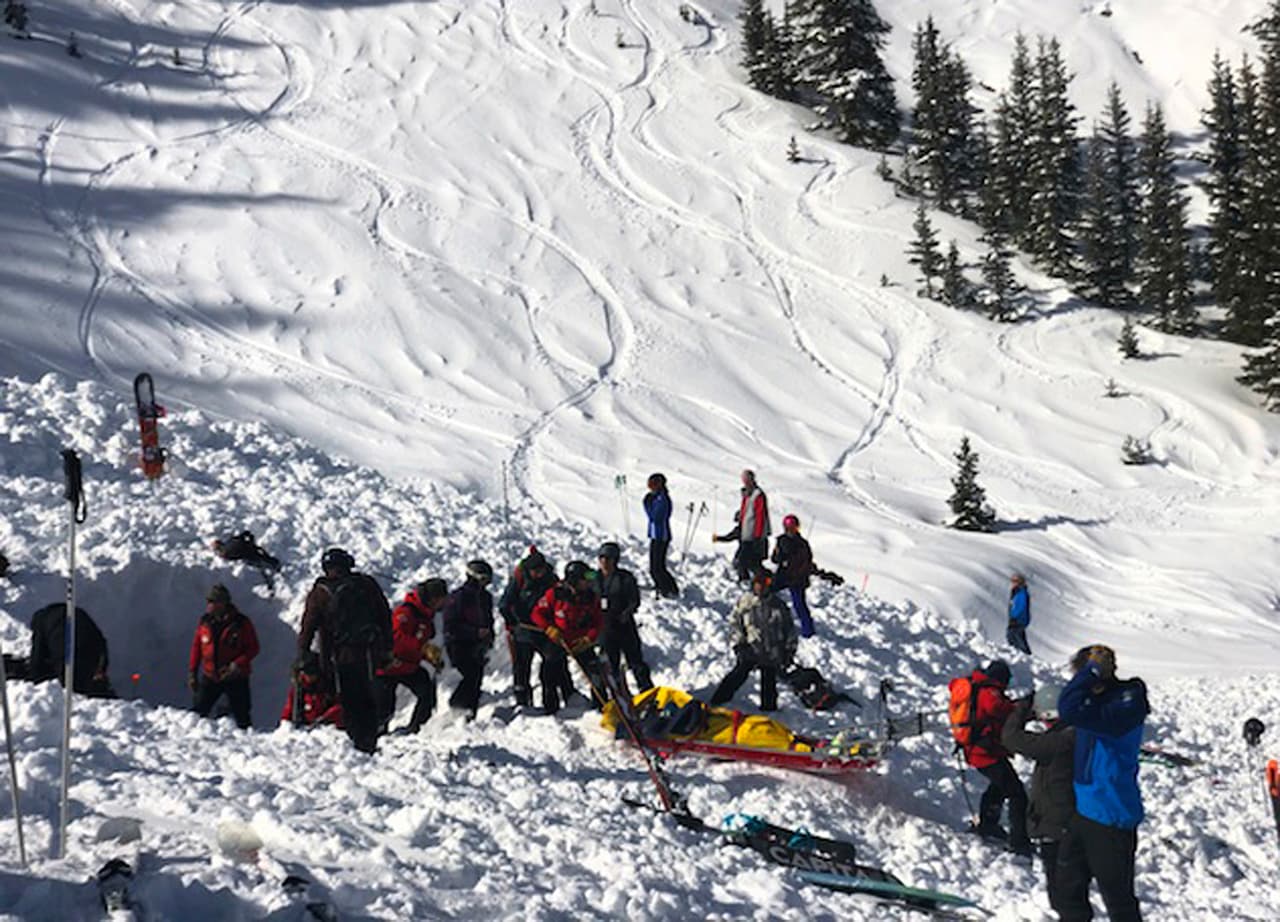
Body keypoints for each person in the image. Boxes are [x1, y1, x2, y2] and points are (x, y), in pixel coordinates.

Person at [1055, 645, 1149, 922]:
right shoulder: (1098, 704)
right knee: (1068, 890)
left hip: (1112, 816)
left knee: (1118, 901)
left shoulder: (1126, 702)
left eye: (1083, 676)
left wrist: (1092, 671)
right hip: (1084, 813)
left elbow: (1068, 708)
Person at [297, 547, 393, 754]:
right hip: (368, 651)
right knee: (367, 695)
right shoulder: (366, 585)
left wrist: (303, 653)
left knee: (347, 698)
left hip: (337, 655)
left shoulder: (321, 592)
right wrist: (387, 648)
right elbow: (384, 616)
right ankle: (369, 739)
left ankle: (356, 742)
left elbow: (308, 626)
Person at [1002, 683, 1075, 915]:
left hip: (1057, 823)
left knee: (1062, 895)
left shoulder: (1058, 741)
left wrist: (1022, 709)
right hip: (1070, 820)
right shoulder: (1076, 731)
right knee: (1070, 892)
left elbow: (1011, 737)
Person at [951, 659, 1032, 856]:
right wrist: (1023, 706)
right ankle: (1018, 841)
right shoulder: (989, 693)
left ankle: (988, 824)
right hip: (984, 753)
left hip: (981, 751)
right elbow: (1001, 709)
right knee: (1017, 794)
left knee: (999, 786)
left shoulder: (978, 688)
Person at [709, 569, 796, 711]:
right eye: (758, 583)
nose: (761, 586)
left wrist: (789, 651)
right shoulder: (746, 602)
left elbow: (790, 630)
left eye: (766, 583)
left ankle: (769, 712)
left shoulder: (779, 606)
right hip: (751, 647)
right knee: (738, 674)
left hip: (771, 651)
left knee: (769, 683)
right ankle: (718, 700)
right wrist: (739, 644)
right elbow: (735, 624)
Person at [531, 561, 604, 714]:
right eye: (584, 579)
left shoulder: (591, 597)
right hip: (559, 641)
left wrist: (589, 638)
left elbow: (598, 621)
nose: (588, 583)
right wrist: (549, 628)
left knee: (596, 674)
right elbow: (537, 613)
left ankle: (601, 708)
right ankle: (551, 709)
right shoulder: (555, 594)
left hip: (581, 642)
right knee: (548, 672)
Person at [378, 578, 448, 735]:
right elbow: (396, 639)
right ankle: (377, 737)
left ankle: (417, 729)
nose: (442, 604)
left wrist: (432, 658)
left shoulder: (427, 616)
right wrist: (423, 648)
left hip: (409, 665)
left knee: (426, 693)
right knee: (385, 708)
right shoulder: (406, 613)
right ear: (432, 599)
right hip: (389, 666)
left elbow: (421, 642)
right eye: (441, 600)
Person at [188, 584, 260, 729]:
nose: (209, 605)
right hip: (210, 675)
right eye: (208, 602)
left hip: (235, 677)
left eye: (212, 602)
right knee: (197, 713)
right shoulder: (205, 622)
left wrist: (237, 664)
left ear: (223, 603)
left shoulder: (241, 623)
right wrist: (192, 672)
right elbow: (197, 647)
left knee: (242, 716)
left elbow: (253, 648)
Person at [498, 547, 558, 708]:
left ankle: (550, 701)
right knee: (521, 668)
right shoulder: (519, 580)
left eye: (541, 570)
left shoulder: (552, 580)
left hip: (544, 631)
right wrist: (512, 621)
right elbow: (504, 604)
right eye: (535, 571)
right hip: (523, 632)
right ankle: (522, 702)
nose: (539, 574)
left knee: (551, 663)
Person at [770, 513, 843, 638]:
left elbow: (807, 562)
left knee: (799, 605)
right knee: (768, 594)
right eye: (788, 529)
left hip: (797, 579)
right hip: (783, 576)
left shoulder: (802, 544)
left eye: (794, 528)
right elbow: (774, 559)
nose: (791, 531)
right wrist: (780, 557)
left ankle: (808, 631)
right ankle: (772, 623)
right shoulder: (781, 540)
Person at [594, 541, 653, 692]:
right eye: (602, 558)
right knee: (609, 666)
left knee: (635, 662)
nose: (604, 562)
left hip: (624, 627)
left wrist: (625, 613)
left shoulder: (625, 578)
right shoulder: (594, 579)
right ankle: (616, 696)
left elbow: (634, 601)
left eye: (608, 559)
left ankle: (647, 691)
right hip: (605, 629)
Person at [442, 560, 496, 720]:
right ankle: (456, 706)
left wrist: (489, 636)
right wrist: (474, 632)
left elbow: (489, 619)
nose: (486, 583)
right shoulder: (459, 597)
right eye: (483, 579)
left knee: (477, 678)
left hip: (478, 644)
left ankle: (470, 715)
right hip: (459, 644)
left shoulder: (486, 597)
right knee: (469, 676)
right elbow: (450, 625)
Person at [28, 602, 114, 697]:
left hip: (72, 653)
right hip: (95, 645)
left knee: (75, 693)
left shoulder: (41, 623)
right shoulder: (71, 611)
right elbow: (100, 640)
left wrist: (35, 679)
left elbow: (37, 658)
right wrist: (101, 667)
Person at [712, 469, 770, 582]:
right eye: (744, 479)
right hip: (746, 532)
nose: (745, 482)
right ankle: (752, 580)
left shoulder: (757, 495)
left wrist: (758, 535)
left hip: (753, 535)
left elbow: (760, 516)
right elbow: (745, 512)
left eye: (747, 479)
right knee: (747, 561)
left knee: (747, 561)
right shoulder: (747, 494)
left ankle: (756, 581)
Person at [281, 650, 344, 728]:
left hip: (328, 728)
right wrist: (286, 723)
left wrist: (325, 718)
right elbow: (289, 709)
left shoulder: (329, 687)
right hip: (304, 728)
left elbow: (339, 707)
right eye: (306, 674)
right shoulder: (298, 689)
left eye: (312, 673)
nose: (309, 677)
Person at [642, 473, 679, 598]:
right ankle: (663, 586)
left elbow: (655, 517)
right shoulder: (657, 497)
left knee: (657, 567)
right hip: (654, 535)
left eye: (652, 485)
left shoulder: (663, 499)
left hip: (661, 536)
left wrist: (647, 504)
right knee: (655, 566)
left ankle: (668, 588)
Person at [212, 529, 282, 589]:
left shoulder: (224, 553)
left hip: (247, 554)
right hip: (248, 548)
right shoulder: (229, 542)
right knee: (262, 557)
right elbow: (239, 537)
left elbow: (234, 555)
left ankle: (270, 580)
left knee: (261, 565)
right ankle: (275, 566)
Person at [1007, 573, 1032, 654]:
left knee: (1014, 635)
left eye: (1015, 581)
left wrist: (1014, 616)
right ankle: (1020, 653)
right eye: (1012, 581)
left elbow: (1021, 606)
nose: (1013, 583)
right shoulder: (1016, 592)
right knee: (1016, 636)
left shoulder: (1022, 593)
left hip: (1019, 619)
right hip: (1016, 618)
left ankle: (1023, 654)